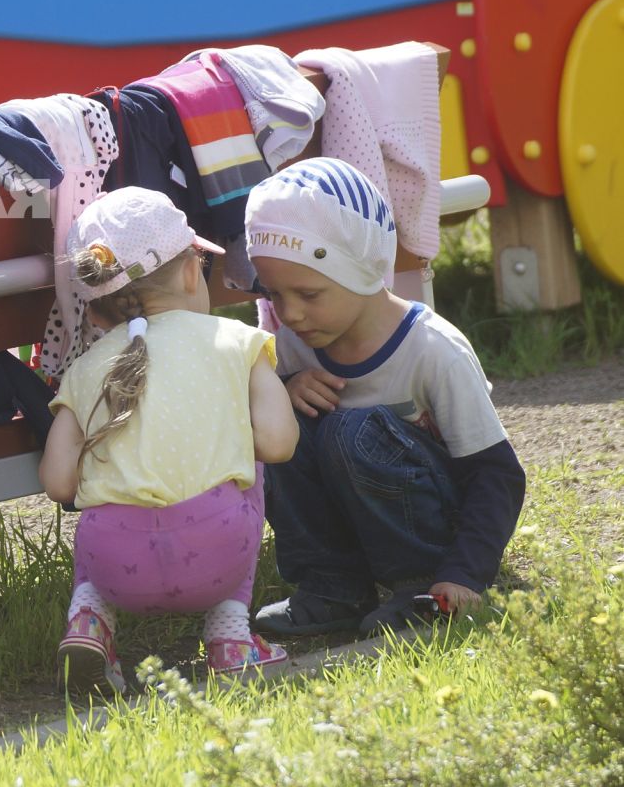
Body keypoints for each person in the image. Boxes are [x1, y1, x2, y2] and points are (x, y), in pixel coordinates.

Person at [244, 157, 526, 637]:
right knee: (276, 427)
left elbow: (496, 474)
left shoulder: (432, 350)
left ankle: (418, 591)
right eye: (273, 295)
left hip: (438, 533)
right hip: (359, 522)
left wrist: (464, 572)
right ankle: (333, 588)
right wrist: (283, 393)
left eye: (308, 294)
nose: (288, 313)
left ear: (362, 269)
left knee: (352, 431)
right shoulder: (293, 346)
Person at [41, 188, 299, 693]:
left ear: (95, 313)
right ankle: (230, 640)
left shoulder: (86, 368)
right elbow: (279, 443)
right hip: (217, 552)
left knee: (98, 504)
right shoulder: (236, 342)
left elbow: (58, 483)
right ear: (189, 272)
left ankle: (89, 618)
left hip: (116, 561)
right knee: (248, 464)